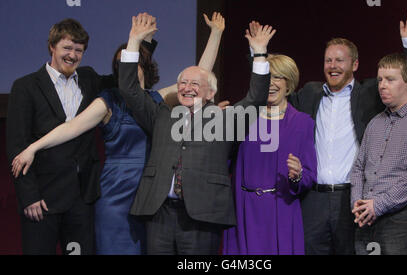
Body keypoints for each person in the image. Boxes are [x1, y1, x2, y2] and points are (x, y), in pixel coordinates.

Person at [10, 12, 226, 255]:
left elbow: (200, 76)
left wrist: (216, 34)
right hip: (116, 194)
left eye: (133, 64)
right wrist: (33, 148)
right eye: (122, 67)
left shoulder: (159, 100)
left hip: (152, 196)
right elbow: (71, 127)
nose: (128, 71)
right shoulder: (108, 101)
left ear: (143, 66)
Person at [117, 12, 273, 255]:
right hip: (159, 212)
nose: (186, 88)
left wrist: (260, 54)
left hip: (203, 213)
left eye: (194, 84)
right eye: (182, 83)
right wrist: (134, 41)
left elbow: (256, 98)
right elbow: (128, 88)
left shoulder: (226, 119)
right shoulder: (160, 114)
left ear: (211, 93)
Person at [284, 9, 407, 254]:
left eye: (340, 60)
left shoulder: (371, 92)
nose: (333, 66)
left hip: (353, 198)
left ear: (355, 64)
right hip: (313, 200)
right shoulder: (310, 93)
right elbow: (276, 104)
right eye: (328, 60)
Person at [5, 18, 123, 255]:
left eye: (78, 50)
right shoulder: (25, 86)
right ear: (52, 46)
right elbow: (17, 144)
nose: (72, 55)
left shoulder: (90, 79)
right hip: (42, 201)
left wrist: (142, 42)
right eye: (67, 48)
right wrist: (29, 197)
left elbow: (125, 78)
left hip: (81, 200)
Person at [222, 48, 317, 255]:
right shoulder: (243, 117)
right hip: (243, 210)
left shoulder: (303, 123)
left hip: (280, 212)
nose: (271, 83)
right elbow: (221, 160)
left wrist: (298, 175)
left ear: (289, 83)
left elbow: (309, 175)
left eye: (278, 77)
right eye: (267, 77)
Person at [350, 53, 407, 255]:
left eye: (390, 80)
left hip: (402, 221)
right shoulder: (375, 123)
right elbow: (358, 168)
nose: (382, 85)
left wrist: (378, 205)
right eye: (380, 80)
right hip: (366, 219)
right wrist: (358, 203)